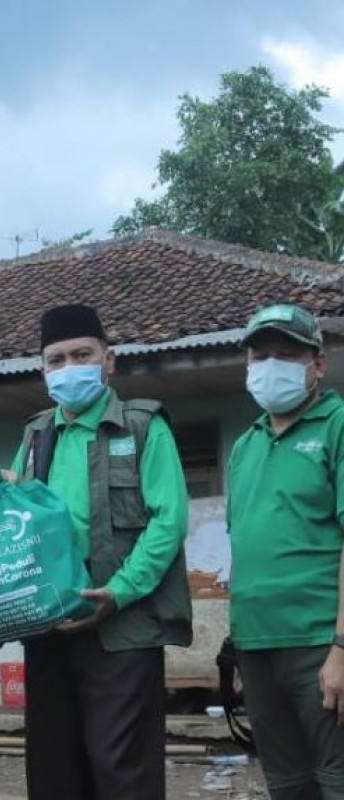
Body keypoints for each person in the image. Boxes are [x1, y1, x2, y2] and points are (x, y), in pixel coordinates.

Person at [5, 304, 192, 800]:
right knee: (53, 771)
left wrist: (118, 591)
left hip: (122, 628)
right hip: (49, 627)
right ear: (43, 370)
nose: (69, 367)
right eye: (56, 359)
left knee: (122, 771)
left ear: (109, 361)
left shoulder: (143, 427)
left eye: (82, 354)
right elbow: (17, 523)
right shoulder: (35, 434)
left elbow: (169, 521)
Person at [227, 303, 344, 799]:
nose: (270, 365)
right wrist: (233, 651)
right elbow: (246, 549)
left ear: (318, 363)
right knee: (288, 786)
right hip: (256, 647)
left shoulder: (337, 425)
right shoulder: (244, 446)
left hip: (319, 643)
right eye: (260, 355)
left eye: (287, 354)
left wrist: (342, 647)